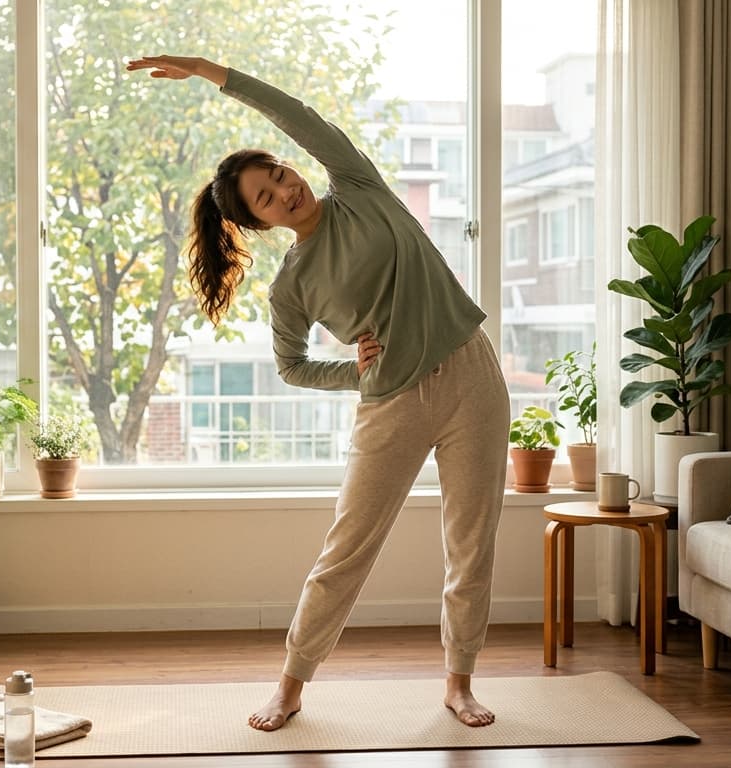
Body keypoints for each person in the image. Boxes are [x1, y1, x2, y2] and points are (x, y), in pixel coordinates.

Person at [126, 55, 511, 731]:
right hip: (391, 402)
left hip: (472, 377)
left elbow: (296, 116)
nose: (285, 190)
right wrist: (355, 372)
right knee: (346, 551)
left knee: (471, 543)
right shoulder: (291, 286)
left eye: (278, 174)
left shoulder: (358, 187)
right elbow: (293, 367)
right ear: (260, 223)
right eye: (266, 198)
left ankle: (459, 682)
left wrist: (208, 71)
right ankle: (291, 684)